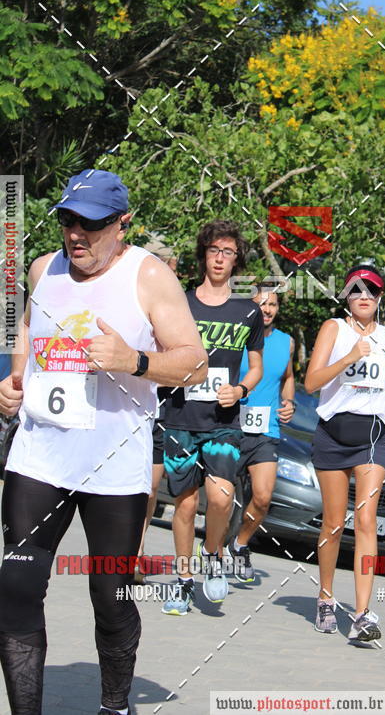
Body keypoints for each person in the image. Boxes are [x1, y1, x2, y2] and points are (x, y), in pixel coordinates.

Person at [0, 170, 207, 715]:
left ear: (122, 224)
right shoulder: (45, 267)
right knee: (16, 586)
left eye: (91, 225)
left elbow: (194, 362)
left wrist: (134, 361)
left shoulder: (148, 276)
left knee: (109, 599)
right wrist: (14, 380)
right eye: (69, 220)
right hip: (40, 455)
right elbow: (26, 329)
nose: (77, 235)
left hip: (113, 467)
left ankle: (114, 706)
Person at [161, 221, 264, 615]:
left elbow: (254, 367)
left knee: (221, 496)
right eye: (214, 250)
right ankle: (184, 581)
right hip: (181, 416)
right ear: (204, 254)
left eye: (229, 252)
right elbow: (163, 352)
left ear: (237, 261)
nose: (220, 258)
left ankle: (214, 553)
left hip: (224, 419)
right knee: (185, 506)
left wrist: (240, 390)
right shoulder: (181, 304)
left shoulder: (248, 311)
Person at [304, 265, 385, 642]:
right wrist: (348, 356)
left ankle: (363, 613)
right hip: (333, 432)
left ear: (380, 298)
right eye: (356, 290)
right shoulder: (334, 328)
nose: (364, 296)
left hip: (373, 435)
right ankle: (326, 597)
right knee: (334, 523)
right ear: (347, 295)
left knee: (366, 520)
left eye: (372, 291)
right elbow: (312, 381)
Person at [229, 285, 295, 581]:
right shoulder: (236, 338)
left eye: (273, 304)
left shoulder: (286, 343)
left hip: (266, 430)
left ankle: (239, 545)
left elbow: (289, 376)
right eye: (262, 303)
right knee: (222, 498)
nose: (267, 309)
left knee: (263, 497)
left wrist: (289, 401)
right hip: (229, 426)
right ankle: (213, 550)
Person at [134, 242, 179, 584]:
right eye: (163, 264)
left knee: (150, 489)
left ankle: (136, 552)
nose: (168, 271)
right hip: (129, 404)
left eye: (173, 266)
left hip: (164, 408)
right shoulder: (132, 299)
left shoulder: (179, 307)